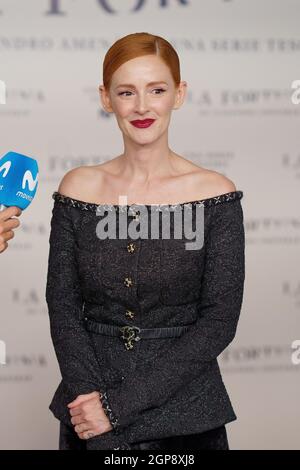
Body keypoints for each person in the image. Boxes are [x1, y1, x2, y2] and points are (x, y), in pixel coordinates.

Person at [46, 32, 245, 450]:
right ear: (106, 98)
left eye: (157, 90)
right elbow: (62, 304)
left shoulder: (214, 193)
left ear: (179, 94)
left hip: (187, 421)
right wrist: (90, 406)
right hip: (86, 413)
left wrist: (115, 409)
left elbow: (218, 323)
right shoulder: (78, 187)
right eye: (126, 91)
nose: (141, 106)